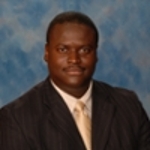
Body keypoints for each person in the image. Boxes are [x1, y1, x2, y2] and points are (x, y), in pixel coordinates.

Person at [0, 11, 150, 150]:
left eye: (84, 50)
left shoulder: (129, 106)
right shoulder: (15, 119)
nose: (74, 59)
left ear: (95, 54)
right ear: (47, 53)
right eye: (63, 49)